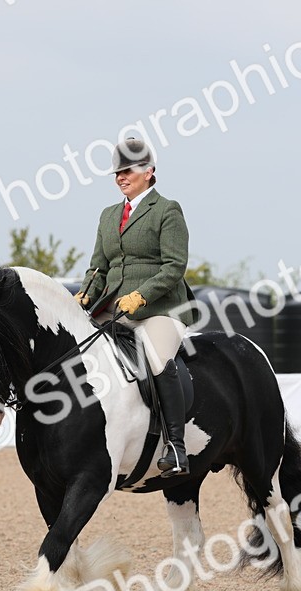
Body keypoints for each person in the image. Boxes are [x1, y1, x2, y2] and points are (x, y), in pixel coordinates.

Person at [76, 138, 196, 477]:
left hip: (160, 311)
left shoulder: (167, 210)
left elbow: (174, 267)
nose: (120, 177)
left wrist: (141, 295)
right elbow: (98, 266)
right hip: (112, 309)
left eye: (126, 171)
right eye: (117, 172)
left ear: (149, 171)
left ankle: (175, 446)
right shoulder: (108, 215)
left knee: (158, 361)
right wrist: (85, 294)